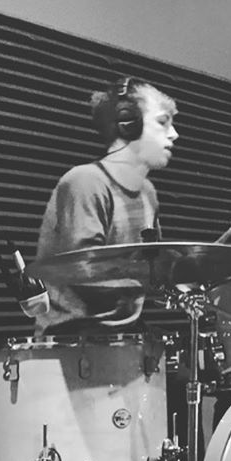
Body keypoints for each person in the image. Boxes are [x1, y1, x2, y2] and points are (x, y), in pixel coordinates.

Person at [34, 76, 178, 335]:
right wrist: (148, 273)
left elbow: (150, 264)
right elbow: (84, 270)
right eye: (162, 122)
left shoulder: (147, 192)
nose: (174, 134)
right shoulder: (85, 181)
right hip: (72, 335)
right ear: (127, 123)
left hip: (126, 333)